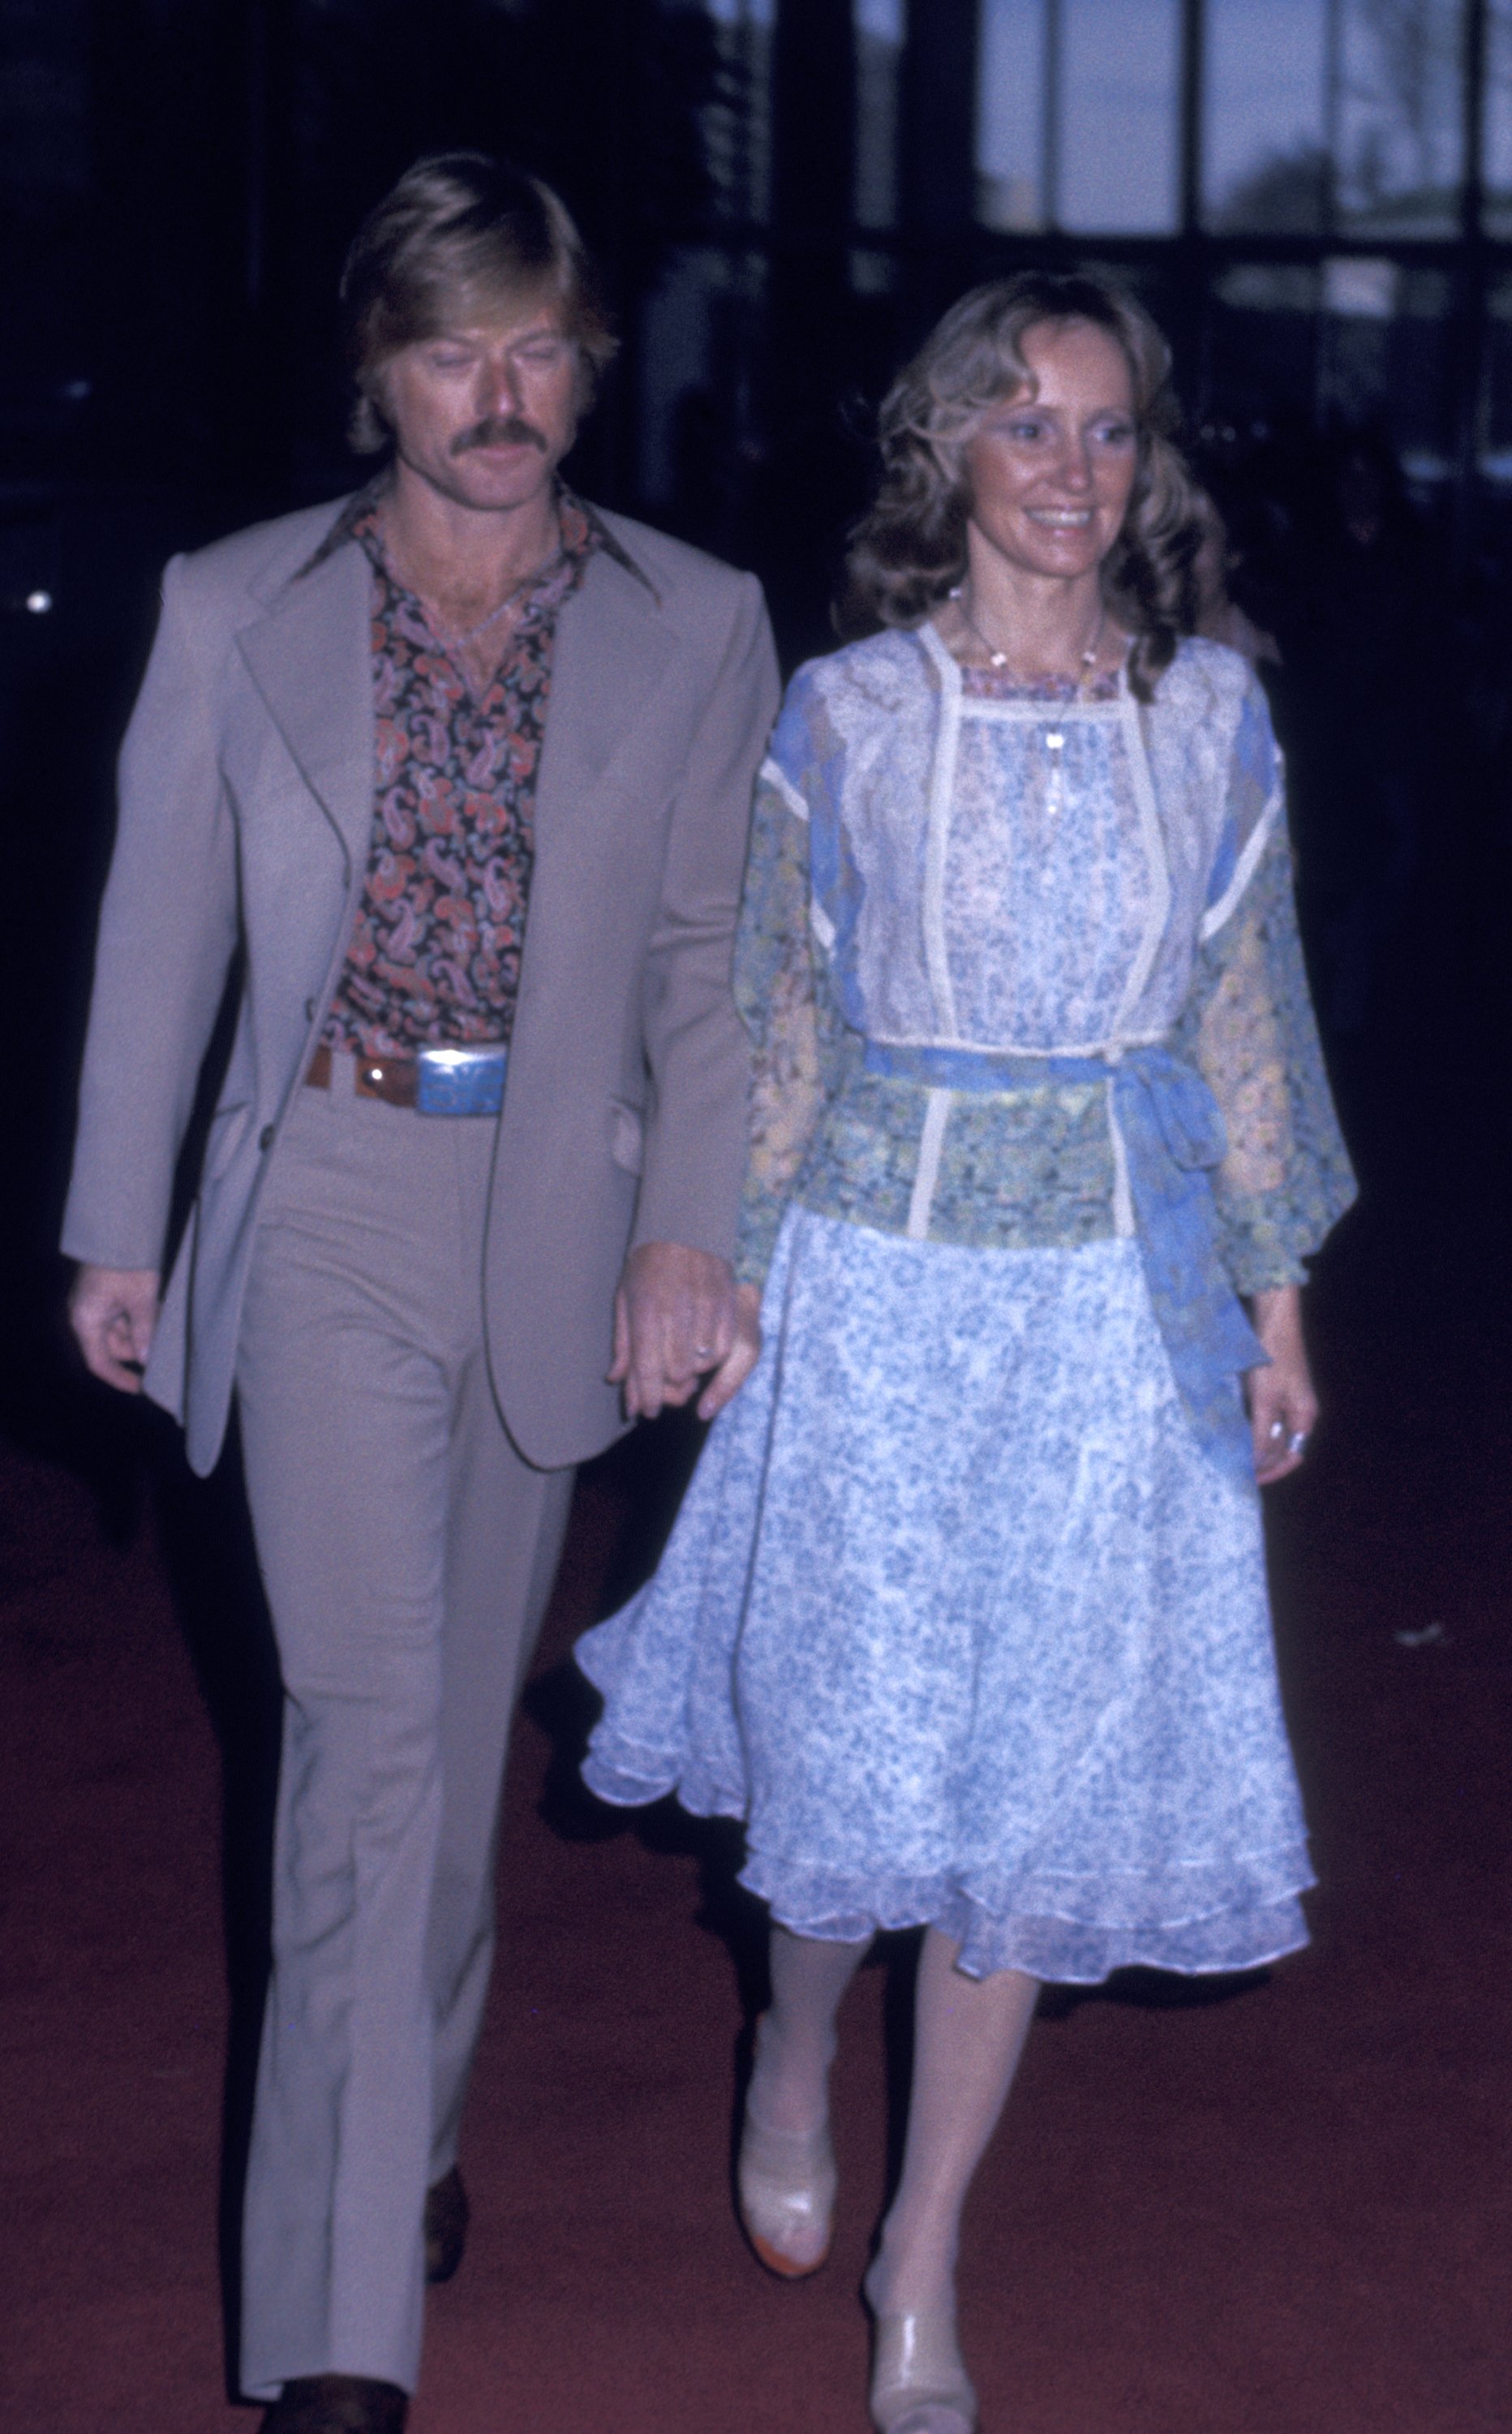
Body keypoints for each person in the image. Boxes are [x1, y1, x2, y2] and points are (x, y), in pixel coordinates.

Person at [575, 273, 1355, 2434]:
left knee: (1020, 1794)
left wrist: (1273, 1298)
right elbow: (774, 1023)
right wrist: (719, 1271)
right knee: (854, 1762)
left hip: (1119, 1304)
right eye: (1026, 426)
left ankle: (924, 2265)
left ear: (1149, 465)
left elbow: (1245, 1020)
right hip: (877, 1298)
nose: (1070, 474)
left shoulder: (1211, 714)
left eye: (1109, 433)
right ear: (948, 453)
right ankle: (792, 2037)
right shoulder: (846, 713)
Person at [62, 153, 777, 2434]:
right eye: (457, 345)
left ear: (591, 365)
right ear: (378, 365)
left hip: (568, 1211)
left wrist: (697, 1229)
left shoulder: (696, 619)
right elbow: (160, 931)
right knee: (362, 1757)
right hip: (334, 1197)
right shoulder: (229, 604)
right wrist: (118, 1220)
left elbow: (708, 960)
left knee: (452, 1765)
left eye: (546, 345)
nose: (506, 394)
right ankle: (337, 2337)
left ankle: (412, 2127)